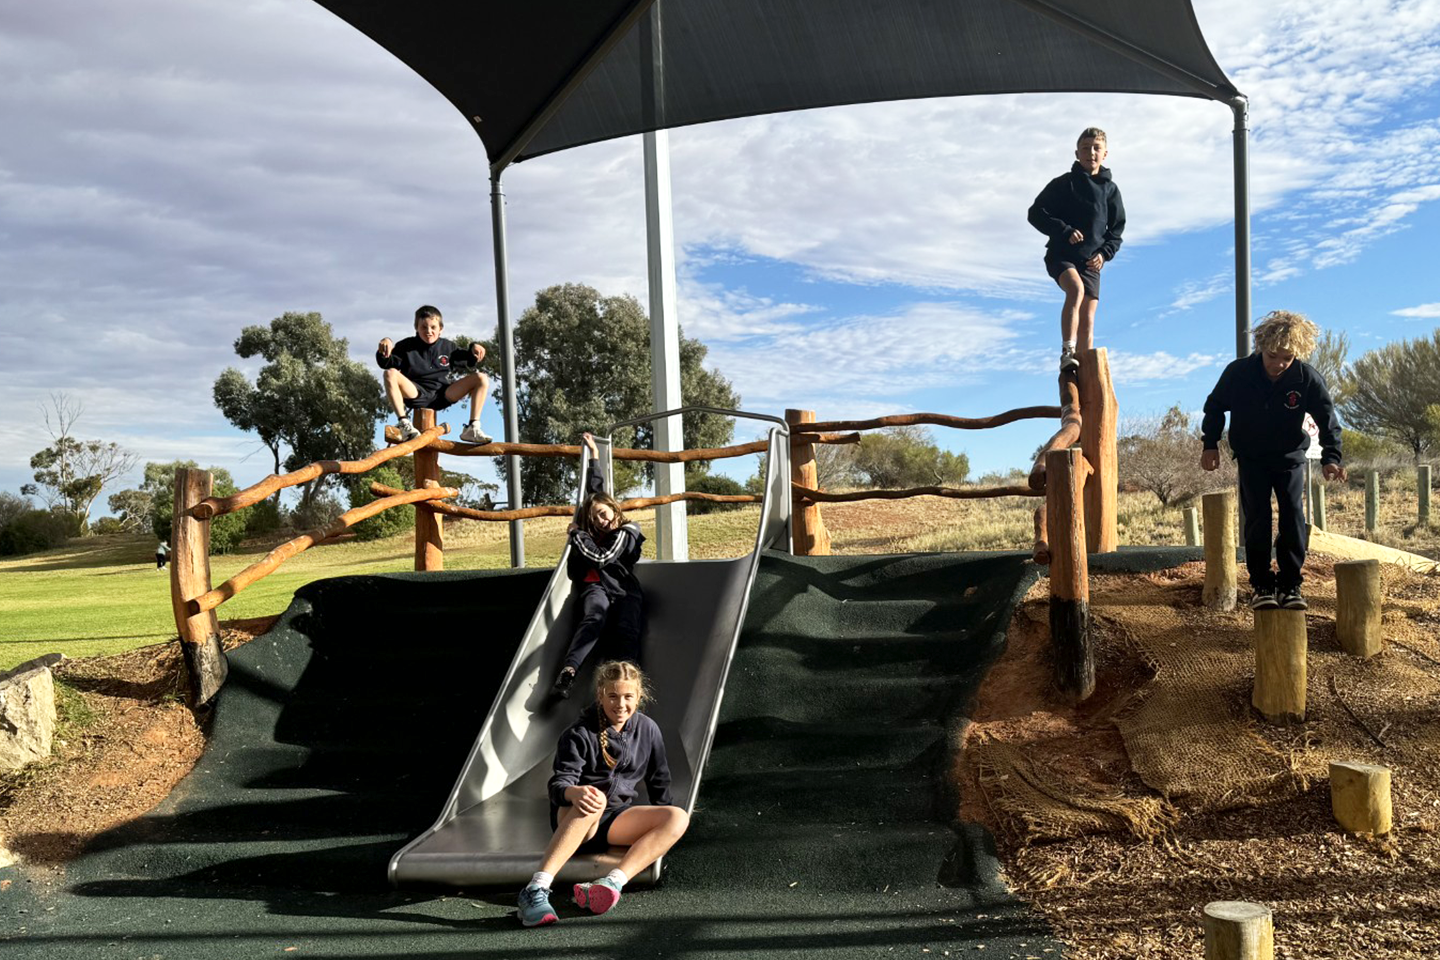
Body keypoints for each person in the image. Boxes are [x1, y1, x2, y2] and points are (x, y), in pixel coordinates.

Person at [517, 660, 689, 927]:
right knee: (596, 800)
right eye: (613, 696)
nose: (621, 704)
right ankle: (535, 889)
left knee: (677, 817)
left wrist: (665, 834)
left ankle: (611, 882)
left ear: (639, 696)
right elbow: (558, 785)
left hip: (615, 822)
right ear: (600, 695)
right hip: (576, 821)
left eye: (628, 696)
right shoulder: (578, 733)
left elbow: (659, 780)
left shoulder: (647, 729)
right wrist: (575, 793)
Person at [1200, 310, 1346, 611]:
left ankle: (1291, 585)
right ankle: (1262, 585)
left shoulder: (1306, 378)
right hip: (1252, 458)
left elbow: (1328, 419)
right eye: (1273, 356)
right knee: (1257, 518)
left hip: (1290, 459)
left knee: (1292, 516)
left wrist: (1332, 457)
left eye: (1287, 358)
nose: (1279, 364)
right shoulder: (1238, 373)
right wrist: (1210, 444)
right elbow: (1214, 407)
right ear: (1261, 347)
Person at [552, 433, 646, 699]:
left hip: (623, 588)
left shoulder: (628, 531)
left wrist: (577, 534)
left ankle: (626, 686)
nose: (602, 521)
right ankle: (568, 672)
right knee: (595, 616)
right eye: (596, 519)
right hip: (596, 587)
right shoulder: (597, 524)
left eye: (604, 514)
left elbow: (603, 558)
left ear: (615, 510)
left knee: (627, 630)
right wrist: (594, 456)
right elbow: (594, 493)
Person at [1027, 127, 1126, 373]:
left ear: (1105, 154)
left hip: (1091, 262)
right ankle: (1068, 353)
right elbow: (1035, 213)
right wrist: (1064, 230)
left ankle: (1085, 369)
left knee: (1088, 318)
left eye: (1096, 148)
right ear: (1076, 153)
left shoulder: (1111, 191)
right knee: (1076, 290)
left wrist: (1104, 254)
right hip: (1062, 256)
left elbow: (1116, 231)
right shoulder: (1064, 184)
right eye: (1085, 148)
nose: (1090, 153)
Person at [375, 305, 492, 444]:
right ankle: (404, 424)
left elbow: (470, 360)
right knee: (390, 373)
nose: (429, 331)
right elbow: (386, 363)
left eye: (433, 327)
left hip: (442, 394)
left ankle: (473, 427)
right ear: (416, 328)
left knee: (481, 378)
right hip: (416, 393)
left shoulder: (448, 347)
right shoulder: (406, 346)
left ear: (440, 329)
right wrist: (385, 344)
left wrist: (474, 346)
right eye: (424, 327)